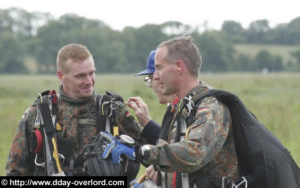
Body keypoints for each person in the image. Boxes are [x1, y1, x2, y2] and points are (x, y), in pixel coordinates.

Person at [102, 36, 300, 188]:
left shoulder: (210, 106)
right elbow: (180, 165)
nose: (156, 76)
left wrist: (142, 152)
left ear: (179, 67)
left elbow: (194, 153)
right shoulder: (182, 109)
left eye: (160, 68)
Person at [5, 44, 143, 176]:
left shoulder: (112, 110)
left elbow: (150, 155)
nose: (89, 81)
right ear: (61, 76)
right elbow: (15, 171)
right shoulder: (38, 114)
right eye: (80, 76)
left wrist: (146, 125)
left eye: (92, 73)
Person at [127, 50, 177, 145]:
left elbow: (175, 150)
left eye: (150, 79)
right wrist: (148, 121)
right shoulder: (173, 106)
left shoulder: (188, 108)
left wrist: (147, 123)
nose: (151, 86)